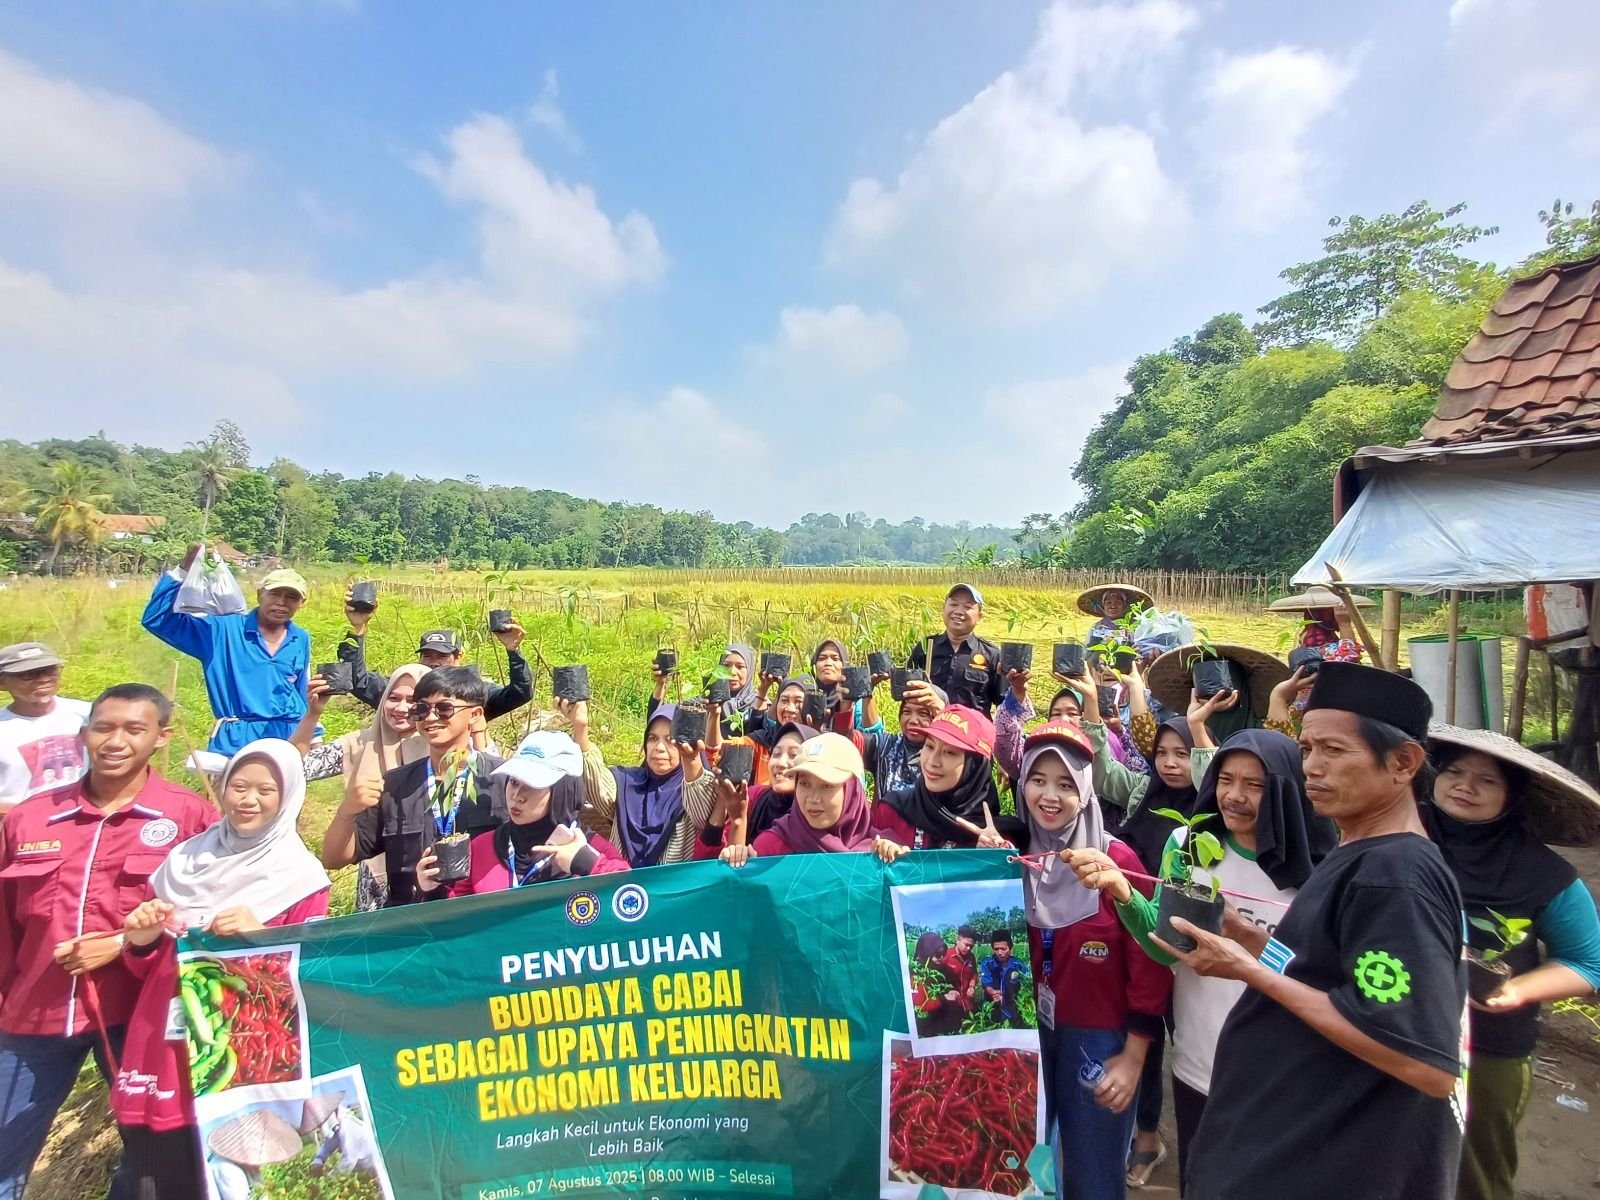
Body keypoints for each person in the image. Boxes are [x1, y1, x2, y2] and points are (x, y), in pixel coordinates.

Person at [1170, 661, 1467, 1200]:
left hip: (1331, 1162)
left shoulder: (1396, 877)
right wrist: (1251, 940)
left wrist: (1246, 973)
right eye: (1307, 750)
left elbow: (1423, 1060)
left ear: (1402, 763)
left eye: (1334, 751)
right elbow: (1324, 976)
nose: (1312, 767)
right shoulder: (1357, 848)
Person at [1071, 728, 1336, 1189]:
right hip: (1200, 1061)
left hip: (1281, 1073)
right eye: (1226, 780)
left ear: (1285, 789)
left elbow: (1317, 979)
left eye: (1254, 785)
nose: (1234, 796)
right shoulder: (1190, 846)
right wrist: (1124, 891)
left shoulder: (1317, 872)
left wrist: (1242, 934)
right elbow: (1161, 946)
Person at [0, 684, 213, 1200]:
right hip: (32, 1015)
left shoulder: (189, 818)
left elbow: (202, 922)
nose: (115, 741)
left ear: (161, 739)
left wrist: (119, 943)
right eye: (104, 727)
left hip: (139, 1019)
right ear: (83, 735)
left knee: (153, 1166)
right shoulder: (28, 818)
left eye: (134, 729)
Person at [112, 740, 331, 1198]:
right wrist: (142, 939)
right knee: (155, 1177)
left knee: (237, 1179)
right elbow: (145, 969)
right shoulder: (182, 863)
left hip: (246, 1059)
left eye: (265, 790)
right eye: (238, 786)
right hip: (163, 1046)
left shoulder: (301, 878)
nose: (247, 800)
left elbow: (313, 978)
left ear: (288, 795)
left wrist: (263, 938)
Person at [1422, 726, 1600, 1200]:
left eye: (1487, 781)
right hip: (1391, 1026)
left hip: (1488, 1051)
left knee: (1474, 1174)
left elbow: (1587, 965)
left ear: (1514, 796)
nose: (1464, 786)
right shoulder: (1398, 836)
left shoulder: (1546, 877)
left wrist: (1515, 990)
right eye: (1454, 771)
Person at [1019, 719, 1171, 1200]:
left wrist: (1133, 1056)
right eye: (1038, 780)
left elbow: (1153, 960)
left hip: (1099, 1039)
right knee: (1023, 1170)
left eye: (1066, 784)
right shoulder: (1007, 856)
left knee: (1095, 1177)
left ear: (1086, 789)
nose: (1050, 796)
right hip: (1026, 1035)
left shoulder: (1115, 860)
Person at [322, 668, 508, 907]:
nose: (430, 718)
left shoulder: (502, 779)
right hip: (413, 922)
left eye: (444, 709)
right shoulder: (395, 784)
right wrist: (347, 812)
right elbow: (334, 858)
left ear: (475, 715)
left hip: (485, 919)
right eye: (421, 709)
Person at [140, 545, 312, 753]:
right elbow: (158, 620)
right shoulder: (222, 631)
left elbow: (301, 690)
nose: (282, 603)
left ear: (302, 603)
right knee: (235, 786)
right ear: (260, 595)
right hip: (236, 740)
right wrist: (184, 570)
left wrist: (313, 732)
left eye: (292, 597)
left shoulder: (299, 638)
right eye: (275, 594)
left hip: (288, 738)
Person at [418, 731, 627, 896]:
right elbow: (457, 915)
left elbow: (634, 897)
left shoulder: (593, 848)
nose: (517, 795)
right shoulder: (482, 847)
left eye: (532, 786)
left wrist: (586, 863)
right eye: (514, 782)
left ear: (563, 792)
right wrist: (432, 887)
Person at [294, 663, 428, 911]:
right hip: (373, 875)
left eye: (413, 700)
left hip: (428, 873)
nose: (401, 708)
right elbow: (292, 768)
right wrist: (312, 715)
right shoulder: (360, 743)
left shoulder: (439, 746)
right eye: (394, 698)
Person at [565, 700, 715, 868]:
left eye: (671, 739)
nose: (659, 747)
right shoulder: (628, 782)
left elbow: (704, 816)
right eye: (652, 738)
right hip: (622, 888)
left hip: (672, 890)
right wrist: (581, 728)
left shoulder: (692, 788)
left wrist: (691, 760)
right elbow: (598, 789)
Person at [717, 733, 906, 863]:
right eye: (805, 784)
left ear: (852, 792)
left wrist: (897, 865)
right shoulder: (771, 847)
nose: (813, 798)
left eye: (827, 786)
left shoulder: (880, 849)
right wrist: (738, 862)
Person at [345, 605, 533, 721]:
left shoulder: (473, 693)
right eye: (428, 656)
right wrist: (358, 629)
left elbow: (520, 693)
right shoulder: (403, 691)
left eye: (442, 656)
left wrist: (513, 651)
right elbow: (357, 681)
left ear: (460, 657)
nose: (434, 663)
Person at [873, 706, 1012, 850]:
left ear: (975, 766)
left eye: (949, 753)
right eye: (929, 746)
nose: (933, 761)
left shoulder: (999, 835)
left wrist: (995, 859)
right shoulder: (893, 810)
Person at [697, 722, 821, 858]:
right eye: (776, 754)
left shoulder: (817, 812)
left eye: (794, 755)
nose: (780, 763)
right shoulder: (754, 797)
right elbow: (706, 858)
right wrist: (724, 793)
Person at [0, 641, 90, 813]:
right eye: (28, 674)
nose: (43, 679)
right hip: (16, 826)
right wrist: (32, 814)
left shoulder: (88, 714)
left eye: (50, 671)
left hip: (81, 822)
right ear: (2, 682)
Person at [906, 584, 1005, 716]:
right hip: (930, 731)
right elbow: (908, 692)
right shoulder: (925, 647)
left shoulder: (992, 654)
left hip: (972, 733)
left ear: (980, 616)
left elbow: (1004, 704)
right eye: (953, 604)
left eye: (968, 607)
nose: (958, 611)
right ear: (943, 609)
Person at [861, 679, 946, 798]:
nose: (913, 720)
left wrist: (944, 714)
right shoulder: (886, 746)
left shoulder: (948, 758)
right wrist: (846, 704)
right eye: (906, 712)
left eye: (923, 714)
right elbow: (844, 743)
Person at [911, 932, 968, 1037]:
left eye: (943, 954)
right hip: (925, 1027)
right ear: (926, 953)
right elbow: (920, 1006)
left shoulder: (941, 969)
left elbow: (948, 985)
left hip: (941, 1022)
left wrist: (951, 991)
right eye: (937, 954)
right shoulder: (916, 974)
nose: (942, 957)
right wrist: (944, 998)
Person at [980, 930, 1029, 1028]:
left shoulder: (1018, 964)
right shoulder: (987, 963)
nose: (999, 952)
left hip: (1014, 1006)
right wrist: (993, 992)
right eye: (996, 949)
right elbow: (987, 984)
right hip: (993, 1006)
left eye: (1003, 949)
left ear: (1010, 948)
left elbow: (1027, 983)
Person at [1079, 584, 1154, 648]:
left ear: (1124, 606)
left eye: (1118, 602)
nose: (1113, 606)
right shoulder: (1096, 627)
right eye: (1108, 603)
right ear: (1103, 606)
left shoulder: (1134, 625)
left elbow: (1144, 645)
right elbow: (1087, 650)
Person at [942, 925, 981, 1014]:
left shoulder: (971, 957)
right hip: (951, 1005)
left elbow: (974, 973)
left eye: (971, 946)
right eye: (966, 945)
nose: (968, 949)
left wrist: (971, 986)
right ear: (958, 940)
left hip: (968, 1003)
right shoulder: (946, 956)